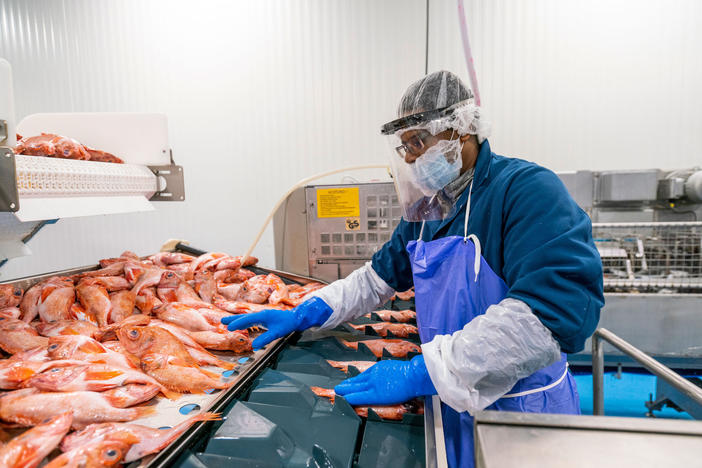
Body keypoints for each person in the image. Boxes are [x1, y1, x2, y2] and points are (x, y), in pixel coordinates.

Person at [223, 70, 604, 468]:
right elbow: (377, 278)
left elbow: (548, 318)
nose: (408, 157)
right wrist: (311, 310)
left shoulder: (526, 191)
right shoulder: (429, 208)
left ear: (463, 130)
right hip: (450, 400)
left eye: (418, 141)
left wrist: (422, 371)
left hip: (520, 415)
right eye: (404, 146)